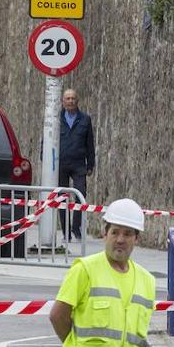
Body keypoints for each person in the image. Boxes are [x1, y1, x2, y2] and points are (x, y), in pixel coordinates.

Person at [48, 198, 154, 347]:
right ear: (105, 234)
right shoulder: (85, 269)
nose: (120, 239)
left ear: (136, 238)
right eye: (115, 232)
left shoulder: (146, 280)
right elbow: (58, 316)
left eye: (127, 233)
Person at [59, 89, 96, 239]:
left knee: (81, 195)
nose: (70, 101)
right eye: (67, 98)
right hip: (61, 164)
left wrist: (90, 165)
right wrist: (46, 157)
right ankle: (66, 231)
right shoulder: (56, 118)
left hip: (79, 164)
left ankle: (76, 227)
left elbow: (90, 144)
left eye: (73, 98)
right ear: (63, 101)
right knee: (61, 198)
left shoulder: (85, 120)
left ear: (77, 101)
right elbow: (47, 139)